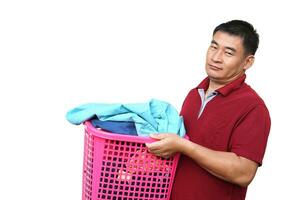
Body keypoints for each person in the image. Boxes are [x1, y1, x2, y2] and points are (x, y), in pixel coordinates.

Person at [146, 20, 271, 200]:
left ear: (248, 62)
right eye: (214, 47)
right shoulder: (193, 95)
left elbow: (243, 173)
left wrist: (184, 146)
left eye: (228, 53)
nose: (216, 57)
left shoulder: (253, 107)